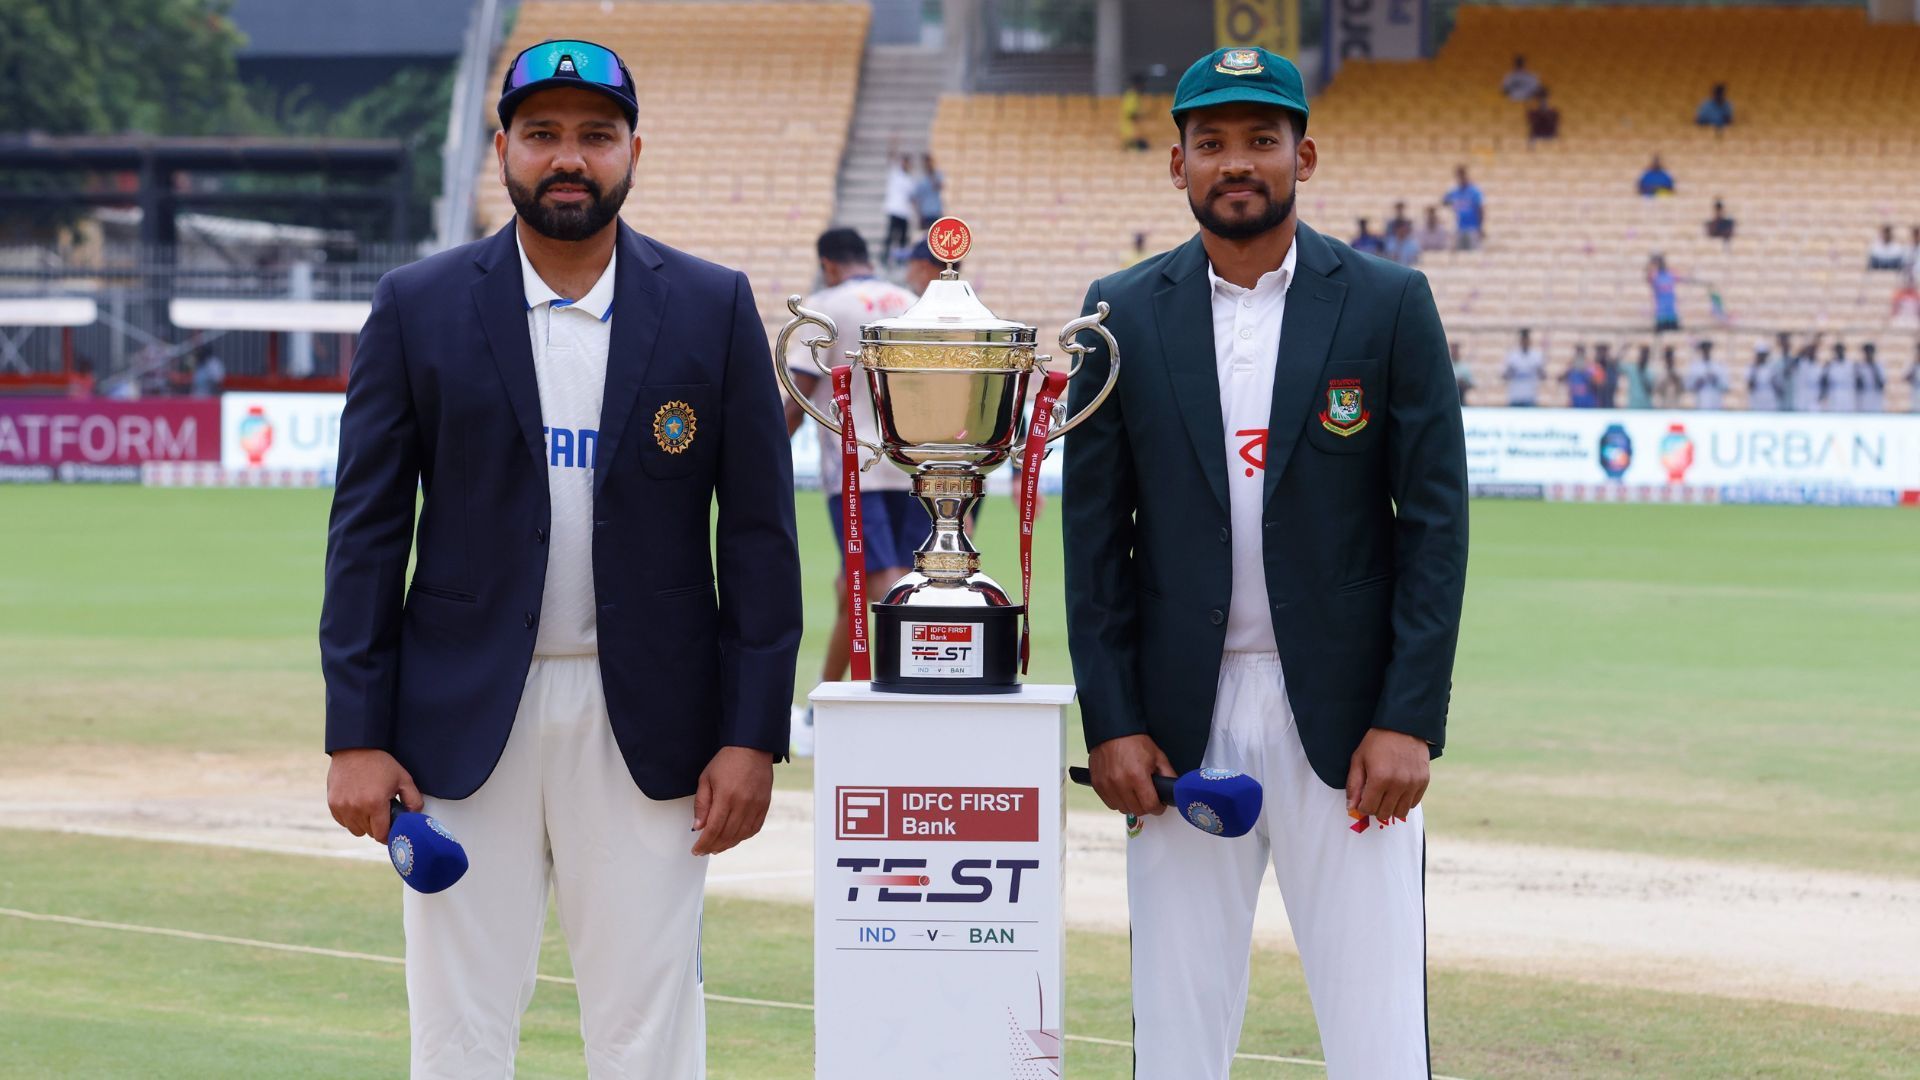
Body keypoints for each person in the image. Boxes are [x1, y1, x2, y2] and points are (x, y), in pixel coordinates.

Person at [319, 40, 803, 1076]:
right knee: (457, 1025)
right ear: (503, 147)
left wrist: (751, 733)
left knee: (649, 1027)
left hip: (653, 730)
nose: (568, 158)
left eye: (594, 134)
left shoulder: (713, 305)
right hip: (460, 723)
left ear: (635, 149)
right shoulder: (419, 304)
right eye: (542, 135)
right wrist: (355, 732)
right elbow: (365, 530)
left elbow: (760, 538)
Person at [1063, 47, 1466, 1080]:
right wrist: (1112, 721)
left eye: (1259, 141)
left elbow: (1433, 525)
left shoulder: (1386, 303)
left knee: (1379, 1036)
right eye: (1211, 144)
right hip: (1180, 726)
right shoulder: (1118, 311)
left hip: (1346, 722)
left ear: (1305, 154)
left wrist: (1410, 716)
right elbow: (1097, 545)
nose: (1235, 163)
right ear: (1177, 164)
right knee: (1178, 1035)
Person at [783, 229, 920, 757]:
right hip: (917, 464)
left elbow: (798, 398)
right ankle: (822, 708)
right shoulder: (910, 303)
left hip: (856, 465)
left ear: (827, 263)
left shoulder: (825, 307)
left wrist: (757, 464)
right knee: (853, 589)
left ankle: (896, 705)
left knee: (885, 583)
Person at [881, 151, 916, 266]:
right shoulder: (895, 174)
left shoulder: (910, 180)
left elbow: (911, 197)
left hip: (905, 212)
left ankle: (900, 260)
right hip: (894, 210)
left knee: (902, 238)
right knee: (891, 236)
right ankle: (885, 257)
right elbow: (890, 157)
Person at [1443, 165, 1486, 249]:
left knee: (1474, 252)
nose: (1461, 178)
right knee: (1459, 252)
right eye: (1459, 176)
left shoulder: (1474, 191)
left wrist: (1480, 227)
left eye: (1462, 175)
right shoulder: (1455, 191)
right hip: (1460, 227)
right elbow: (1444, 201)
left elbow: (1480, 209)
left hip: (1472, 228)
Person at [1503, 326, 1545, 406]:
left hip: (1530, 397)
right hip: (1515, 397)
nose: (1525, 342)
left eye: (1527, 340)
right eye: (1523, 340)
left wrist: (1538, 370)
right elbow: (1504, 376)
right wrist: (1511, 371)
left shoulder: (1536, 356)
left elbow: (1543, 376)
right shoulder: (1512, 355)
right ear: (1520, 341)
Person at [1647, 254, 1683, 334]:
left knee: (1671, 317)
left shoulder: (1670, 273)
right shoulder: (1655, 274)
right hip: (1661, 300)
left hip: (1669, 300)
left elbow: (1679, 277)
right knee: (1662, 317)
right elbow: (1649, 278)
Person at [1686, 339, 1727, 409]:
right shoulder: (1695, 366)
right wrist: (1699, 381)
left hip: (1716, 403)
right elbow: (1689, 386)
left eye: (1708, 349)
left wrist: (1715, 379)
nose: (1706, 351)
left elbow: (1725, 386)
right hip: (1700, 403)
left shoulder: (1718, 366)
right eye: (1704, 349)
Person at [1788, 333, 1825, 412]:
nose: (1812, 352)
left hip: (1814, 401)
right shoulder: (1801, 363)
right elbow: (1791, 366)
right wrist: (1804, 348)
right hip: (1801, 400)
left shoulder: (1819, 366)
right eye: (1810, 350)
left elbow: (1822, 383)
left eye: (1813, 350)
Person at [1821, 341, 1859, 412]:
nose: (1839, 352)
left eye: (1840, 350)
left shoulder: (1851, 365)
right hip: (1834, 400)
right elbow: (1824, 383)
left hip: (1848, 400)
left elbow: (1858, 383)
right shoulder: (1830, 365)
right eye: (1837, 350)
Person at [1746, 339, 1784, 411]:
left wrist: (1774, 381)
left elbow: (1779, 390)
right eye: (1759, 354)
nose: (1761, 357)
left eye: (1763, 354)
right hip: (1756, 402)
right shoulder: (1752, 368)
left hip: (1770, 402)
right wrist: (1755, 371)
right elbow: (1750, 386)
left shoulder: (1773, 368)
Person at [911, 152, 944, 230]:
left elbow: (939, 186)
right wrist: (918, 215)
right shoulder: (920, 178)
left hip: (936, 211)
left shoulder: (937, 174)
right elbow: (917, 198)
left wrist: (931, 175)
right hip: (925, 213)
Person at [1121, 73, 1150, 151]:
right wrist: (1143, 116)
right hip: (1131, 133)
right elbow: (1130, 114)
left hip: (1134, 132)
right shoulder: (1132, 96)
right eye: (1142, 84)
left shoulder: (1135, 96)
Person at [1858, 342, 1888, 413]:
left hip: (1876, 398)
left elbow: (1881, 385)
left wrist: (1873, 368)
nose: (1868, 354)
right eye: (1867, 352)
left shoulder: (1879, 366)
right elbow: (1858, 386)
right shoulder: (1860, 367)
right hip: (1863, 399)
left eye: (1870, 351)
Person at [1592, 342, 1621, 408]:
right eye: (1600, 352)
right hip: (1597, 404)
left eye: (1603, 352)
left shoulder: (1611, 368)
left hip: (1609, 403)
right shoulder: (1595, 368)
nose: (1601, 354)